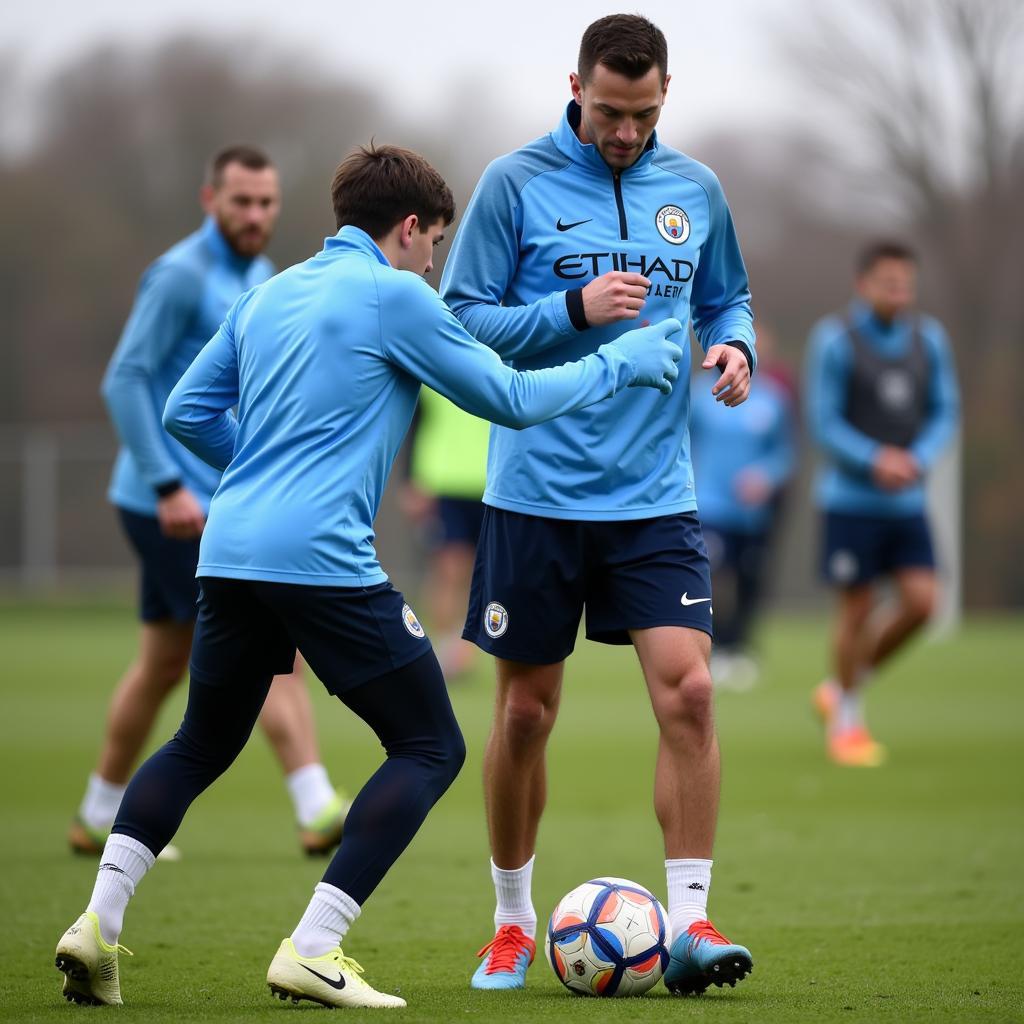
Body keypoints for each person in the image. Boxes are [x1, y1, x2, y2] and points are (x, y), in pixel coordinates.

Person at [53, 143, 685, 1009]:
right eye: (433, 246)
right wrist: (623, 360)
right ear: (412, 228)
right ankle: (315, 946)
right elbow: (508, 397)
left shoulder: (268, 293)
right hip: (319, 559)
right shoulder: (397, 296)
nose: (434, 264)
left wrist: (259, 478)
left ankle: (95, 925)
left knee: (201, 740)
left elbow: (183, 413)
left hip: (230, 551)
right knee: (432, 745)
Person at [441, 13, 756, 997]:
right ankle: (507, 922)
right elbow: (460, 322)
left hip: (655, 495)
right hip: (534, 491)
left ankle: (693, 921)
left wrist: (733, 345)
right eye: (608, 111)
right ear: (573, 84)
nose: (623, 131)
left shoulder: (695, 189)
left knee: (693, 690)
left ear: (667, 91)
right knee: (527, 714)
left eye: (643, 112)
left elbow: (727, 294)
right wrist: (572, 313)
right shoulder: (513, 183)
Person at [74, 146, 349, 862]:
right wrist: (166, 483)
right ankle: (317, 804)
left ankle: (97, 810)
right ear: (210, 200)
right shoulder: (180, 276)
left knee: (164, 662)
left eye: (266, 202)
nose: (255, 215)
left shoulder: (256, 275)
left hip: (218, 501)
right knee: (270, 646)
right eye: (241, 202)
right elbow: (125, 381)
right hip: (172, 504)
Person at [806, 241, 959, 767]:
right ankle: (847, 723)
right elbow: (823, 421)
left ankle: (840, 687)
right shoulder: (835, 340)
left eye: (905, 283)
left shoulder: (929, 340)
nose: (899, 292)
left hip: (906, 502)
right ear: (863, 284)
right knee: (857, 607)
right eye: (888, 282)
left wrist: (917, 458)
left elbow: (944, 411)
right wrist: (875, 460)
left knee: (923, 604)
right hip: (850, 501)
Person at [690, 323, 797, 690]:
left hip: (752, 514)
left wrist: (765, 476)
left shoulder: (773, 399)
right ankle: (716, 647)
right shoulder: (700, 396)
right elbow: (679, 444)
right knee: (713, 575)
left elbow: (784, 453)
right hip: (710, 507)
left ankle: (741, 648)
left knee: (750, 579)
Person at [402, 387, 489, 678]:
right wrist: (411, 479)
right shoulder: (433, 364)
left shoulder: (505, 355)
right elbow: (412, 422)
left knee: (483, 572)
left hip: (492, 482)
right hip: (442, 480)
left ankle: (467, 649)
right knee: (449, 569)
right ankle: (445, 649)